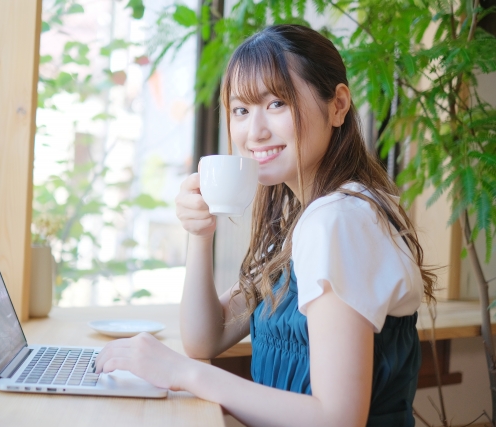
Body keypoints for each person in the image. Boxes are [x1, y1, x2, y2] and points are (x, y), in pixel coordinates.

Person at [95, 24, 436, 427]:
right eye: (241, 110)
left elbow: (338, 418)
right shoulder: (308, 218)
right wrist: (200, 236)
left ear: (338, 105)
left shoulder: (338, 220)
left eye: (277, 103)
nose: (254, 132)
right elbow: (207, 336)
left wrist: (184, 373)